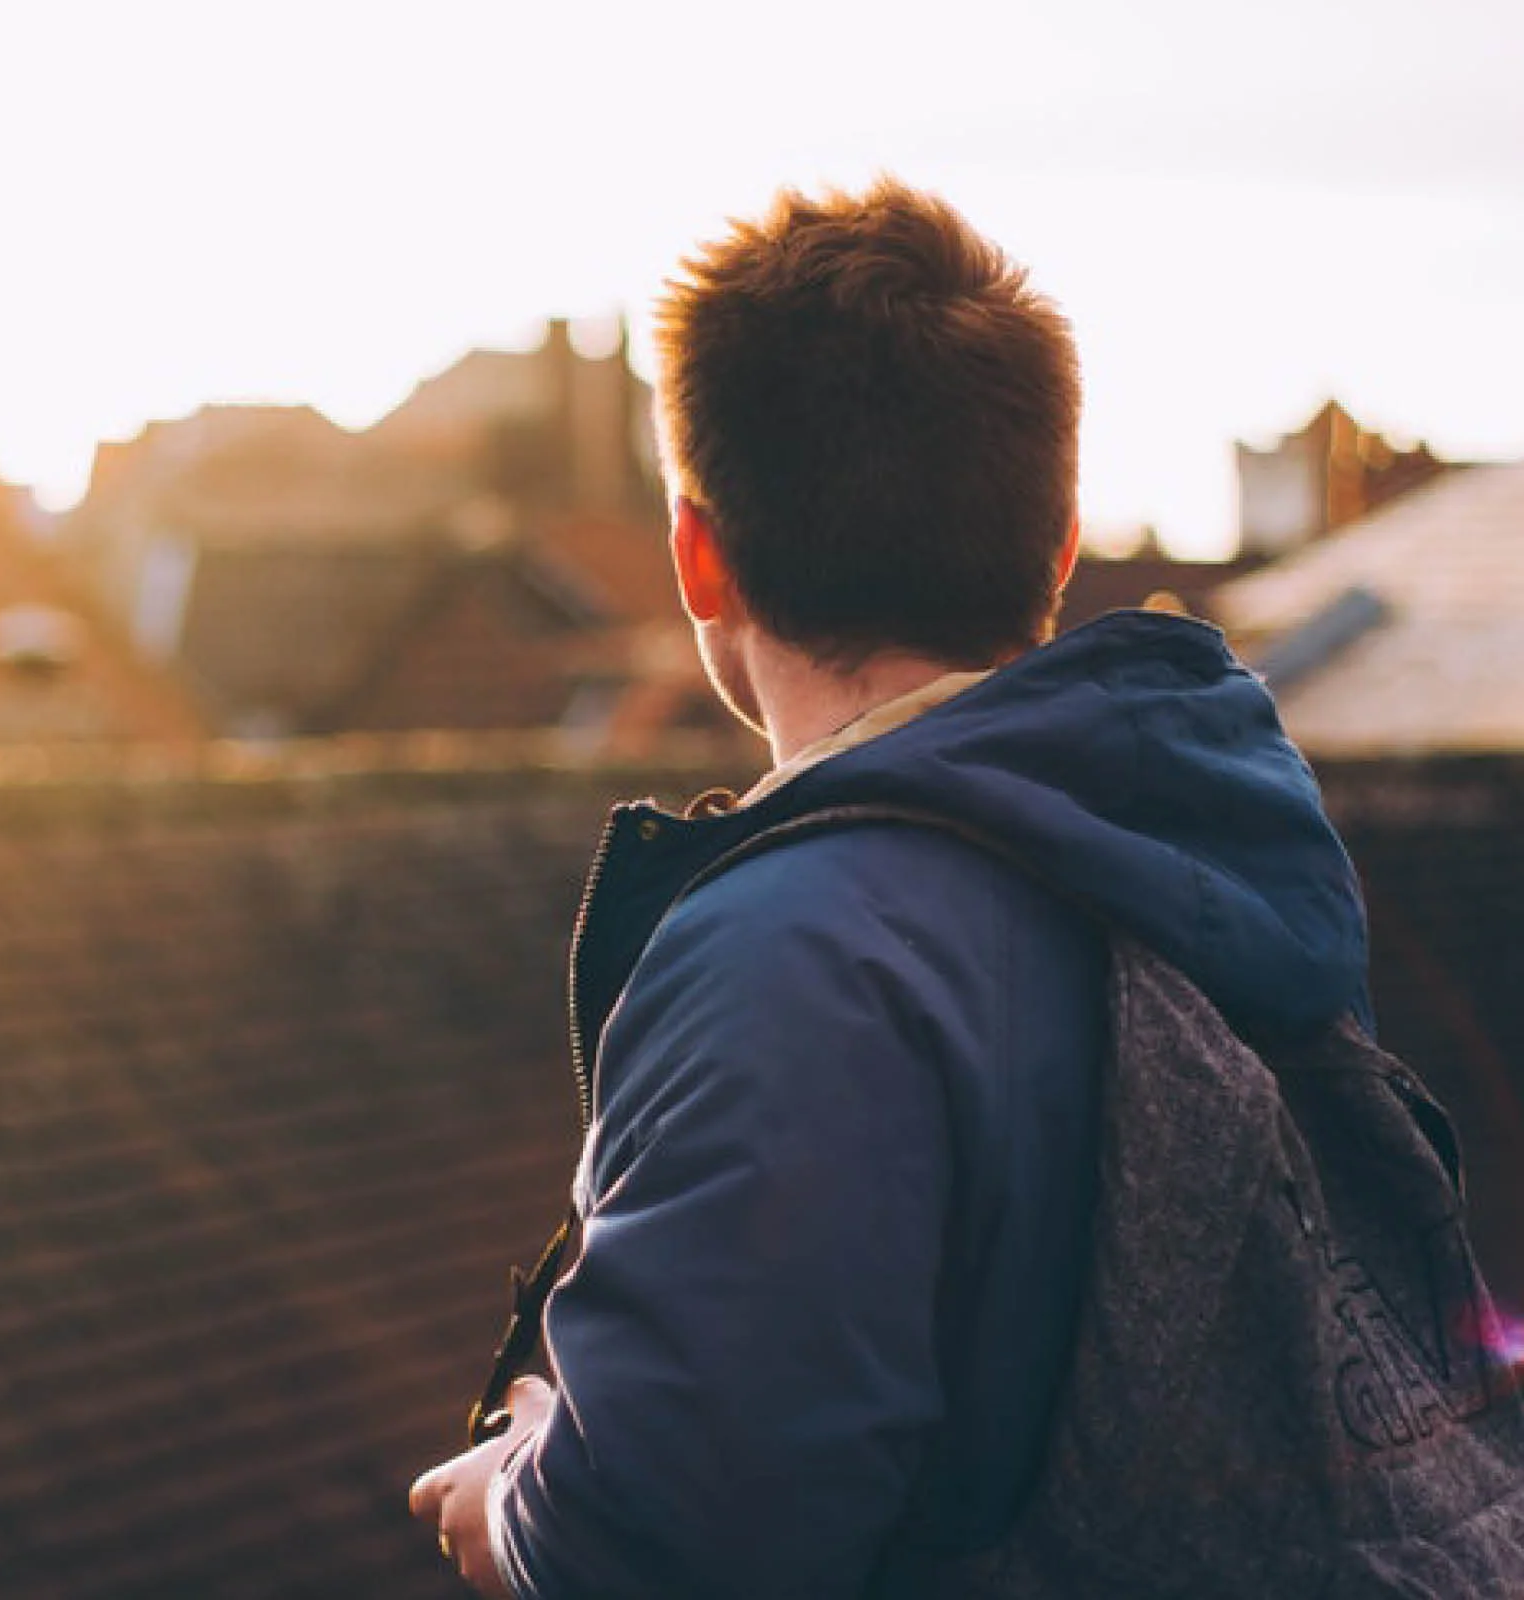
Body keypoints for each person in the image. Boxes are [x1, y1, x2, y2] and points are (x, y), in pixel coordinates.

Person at [410, 179, 1371, 1597]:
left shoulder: (795, 957)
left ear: (698, 557)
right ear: (1058, 547)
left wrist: (506, 1507)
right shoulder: (1223, 854)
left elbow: (678, 1550)